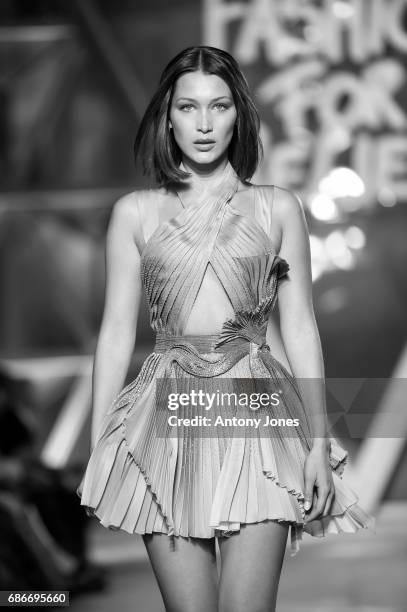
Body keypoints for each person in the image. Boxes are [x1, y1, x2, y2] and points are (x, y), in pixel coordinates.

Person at [77, 46, 375, 612]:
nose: (205, 123)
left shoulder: (276, 208)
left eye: (219, 106)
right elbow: (114, 334)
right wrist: (99, 449)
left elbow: (302, 328)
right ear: (167, 115)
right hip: (166, 416)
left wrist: (317, 442)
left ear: (239, 112)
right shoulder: (135, 213)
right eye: (189, 107)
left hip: (257, 416)